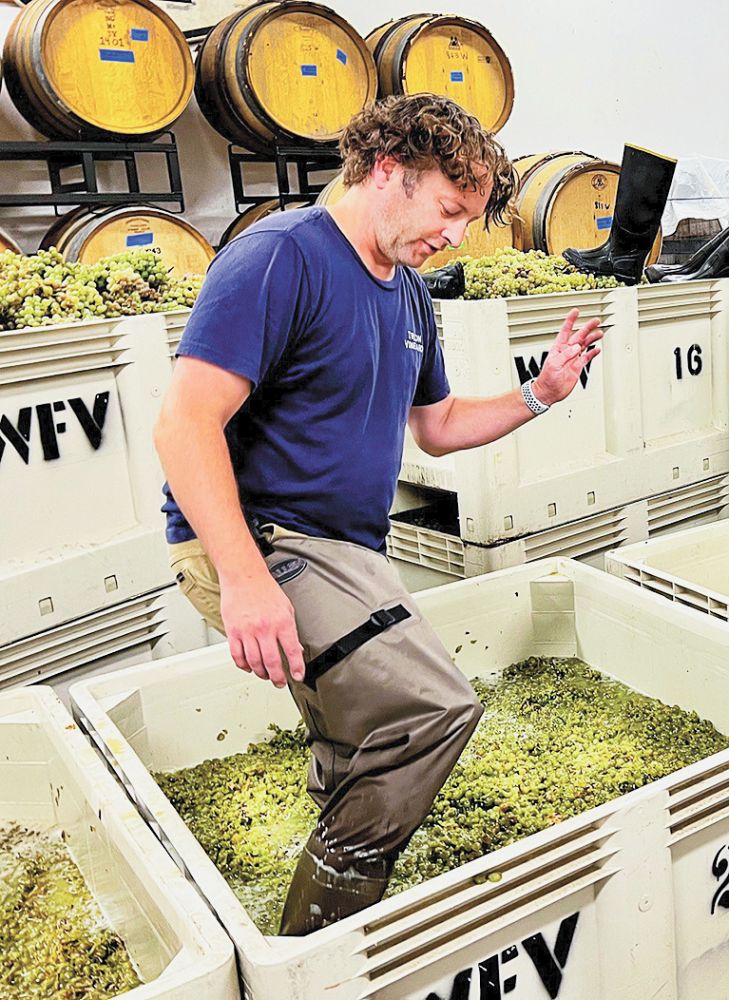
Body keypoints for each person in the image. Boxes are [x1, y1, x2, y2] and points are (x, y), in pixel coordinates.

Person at [154, 93, 603, 936]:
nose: (456, 235)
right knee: (430, 709)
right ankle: (318, 938)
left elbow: (436, 427)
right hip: (264, 540)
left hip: (341, 549)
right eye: (448, 209)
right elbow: (183, 422)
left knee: (359, 733)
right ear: (388, 170)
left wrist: (539, 394)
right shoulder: (280, 258)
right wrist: (247, 584)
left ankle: (333, 853)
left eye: (468, 219)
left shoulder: (408, 296)